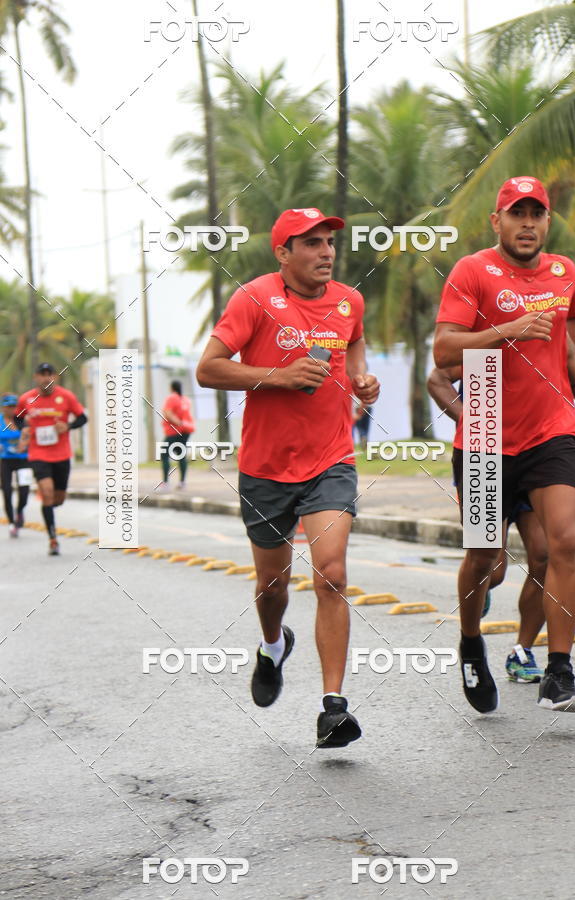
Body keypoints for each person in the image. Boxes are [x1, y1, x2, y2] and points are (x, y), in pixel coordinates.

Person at [197, 207, 380, 748]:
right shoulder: (254, 298)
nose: (326, 252)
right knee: (272, 586)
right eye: (312, 243)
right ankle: (273, 645)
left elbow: (354, 346)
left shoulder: (350, 300)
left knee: (332, 574)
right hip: (265, 469)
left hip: (331, 460)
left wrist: (361, 379)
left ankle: (333, 708)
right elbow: (209, 368)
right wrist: (277, 376)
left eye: (329, 242)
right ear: (283, 253)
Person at [433, 175, 575, 714]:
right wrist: (507, 329)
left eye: (537, 214)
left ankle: (558, 670)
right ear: (497, 221)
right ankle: (470, 641)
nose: (527, 223)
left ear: (547, 222)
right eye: (516, 213)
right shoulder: (472, 271)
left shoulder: (562, 272)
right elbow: (443, 349)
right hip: (483, 426)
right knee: (485, 556)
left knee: (561, 545)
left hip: (551, 429)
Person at [427, 336, 575, 683]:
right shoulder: (490, 342)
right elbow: (437, 378)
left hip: (540, 451)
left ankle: (522, 650)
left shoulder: (552, 338)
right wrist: (466, 418)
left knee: (545, 556)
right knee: (491, 565)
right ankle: (472, 629)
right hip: (484, 455)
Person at [16, 363, 87, 556]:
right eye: (42, 375)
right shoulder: (26, 399)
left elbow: (82, 418)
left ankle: (50, 507)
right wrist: (25, 426)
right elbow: (17, 418)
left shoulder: (66, 396)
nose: (46, 378)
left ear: (55, 377)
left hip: (62, 454)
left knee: (58, 498)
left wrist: (68, 426)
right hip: (38, 454)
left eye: (49, 374)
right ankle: (53, 539)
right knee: (46, 493)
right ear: (36, 377)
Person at [0, 393, 32, 538]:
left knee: (24, 491)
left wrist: (24, 443)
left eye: (14, 406)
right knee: (7, 491)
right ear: (3, 408)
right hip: (5, 461)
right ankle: (12, 523)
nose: (11, 410)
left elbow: (30, 434)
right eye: (8, 407)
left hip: (23, 459)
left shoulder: (22, 420)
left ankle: (19, 511)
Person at [159, 380, 195, 491]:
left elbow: (168, 413)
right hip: (186, 430)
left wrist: (178, 423)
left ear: (171, 387)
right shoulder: (185, 399)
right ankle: (182, 482)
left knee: (164, 455)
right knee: (181, 455)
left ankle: (165, 483)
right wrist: (183, 424)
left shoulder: (172, 398)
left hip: (174, 431)